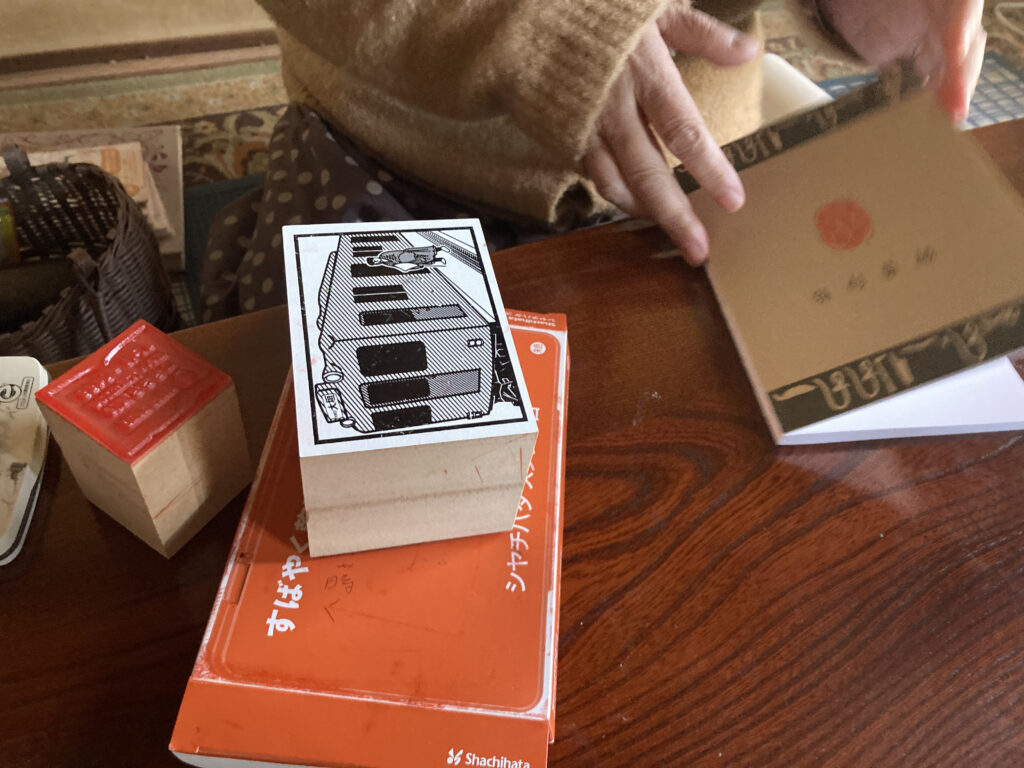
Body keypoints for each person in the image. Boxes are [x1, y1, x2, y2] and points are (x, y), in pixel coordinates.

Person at [200, 1, 984, 322]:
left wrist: (869, 15)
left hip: (687, 174)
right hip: (404, 159)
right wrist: (542, 25)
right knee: (354, 476)